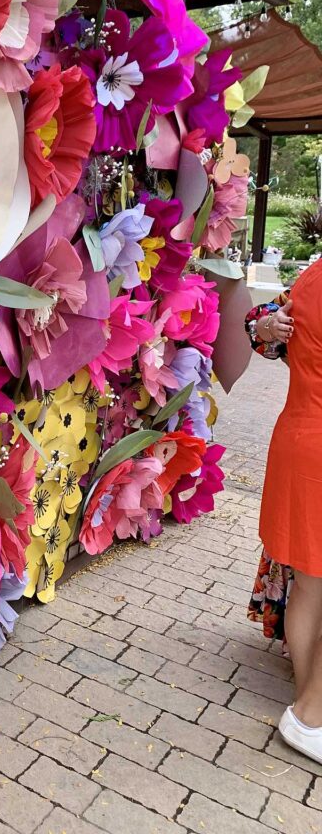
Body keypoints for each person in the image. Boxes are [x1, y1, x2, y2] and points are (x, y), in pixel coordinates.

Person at [246, 261, 322, 763]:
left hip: (301, 439)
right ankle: (310, 713)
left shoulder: (314, 276)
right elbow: (263, 324)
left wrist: (262, 326)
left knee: (311, 583)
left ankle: (309, 704)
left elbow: (268, 322)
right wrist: (263, 327)